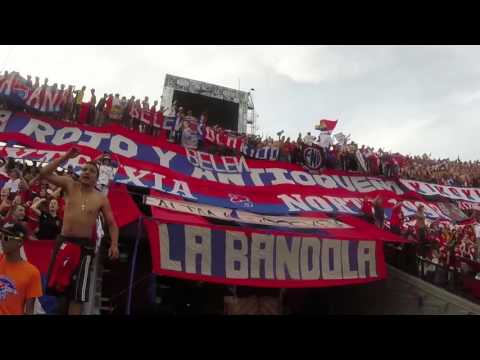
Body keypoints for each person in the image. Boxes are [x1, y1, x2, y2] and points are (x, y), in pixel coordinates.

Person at [40, 147, 119, 315]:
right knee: (56, 287)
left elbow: (112, 223)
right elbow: (44, 173)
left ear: (97, 178)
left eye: (91, 171)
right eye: (84, 169)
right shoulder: (70, 185)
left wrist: (114, 244)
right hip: (64, 242)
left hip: (85, 248)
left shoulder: (100, 198)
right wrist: (66, 156)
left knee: (78, 293)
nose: (87, 172)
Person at [0, 222, 43, 315]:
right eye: (1, 236)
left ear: (19, 242)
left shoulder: (32, 272)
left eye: (6, 238)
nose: (2, 240)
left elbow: (29, 310)